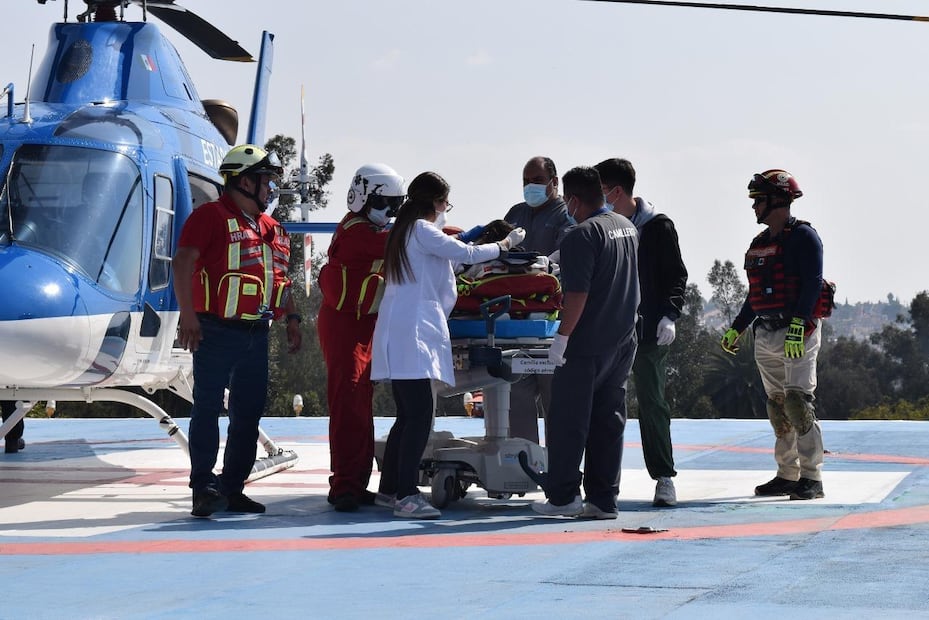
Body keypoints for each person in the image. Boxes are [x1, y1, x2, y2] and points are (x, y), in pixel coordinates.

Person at [371, 171, 525, 519]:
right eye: (444, 202)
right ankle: (407, 496)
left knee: (407, 416)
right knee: (419, 417)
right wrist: (504, 245)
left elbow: (450, 257)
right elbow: (466, 254)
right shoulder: (423, 230)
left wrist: (480, 237)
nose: (445, 209)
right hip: (414, 335)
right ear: (434, 202)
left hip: (403, 331)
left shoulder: (406, 231)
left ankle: (391, 488)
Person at [173, 144, 302, 518]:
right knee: (207, 409)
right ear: (244, 181)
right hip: (214, 330)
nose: (271, 190)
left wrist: (292, 319)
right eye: (266, 181)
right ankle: (203, 488)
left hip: (256, 333)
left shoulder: (272, 228)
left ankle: (232, 488)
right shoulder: (209, 217)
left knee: (248, 414)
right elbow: (183, 263)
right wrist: (188, 316)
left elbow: (281, 279)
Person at [532, 166, 639, 520]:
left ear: (574, 200)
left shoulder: (581, 235)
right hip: (622, 341)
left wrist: (561, 339)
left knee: (567, 420)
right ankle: (603, 499)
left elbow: (577, 295)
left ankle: (563, 496)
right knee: (608, 421)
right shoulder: (627, 227)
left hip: (587, 343)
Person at [721, 169, 826, 501]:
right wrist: (737, 328)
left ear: (778, 200)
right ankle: (787, 473)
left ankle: (812, 476)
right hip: (766, 332)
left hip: (798, 332)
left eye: (759, 200)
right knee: (777, 406)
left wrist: (798, 325)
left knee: (797, 402)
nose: (754, 208)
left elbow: (811, 285)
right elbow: (756, 296)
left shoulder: (805, 237)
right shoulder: (760, 244)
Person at [594, 158, 688, 508]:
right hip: (609, 329)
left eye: (600, 191)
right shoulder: (601, 227)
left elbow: (677, 275)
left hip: (648, 332)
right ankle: (598, 480)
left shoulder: (658, 227)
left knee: (652, 402)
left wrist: (669, 315)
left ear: (615, 192)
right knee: (602, 403)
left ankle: (664, 477)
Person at [317, 163, 406, 512]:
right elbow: (406, 242)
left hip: (361, 324)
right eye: (387, 203)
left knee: (359, 405)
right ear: (364, 198)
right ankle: (344, 486)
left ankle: (354, 481)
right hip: (345, 326)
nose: (391, 212)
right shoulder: (360, 233)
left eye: (397, 205)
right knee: (348, 404)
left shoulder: (368, 229)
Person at [503, 156, 574, 443]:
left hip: (551, 326)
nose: (530, 186)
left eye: (537, 180)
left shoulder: (565, 215)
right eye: (525, 181)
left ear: (554, 183)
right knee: (516, 401)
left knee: (557, 404)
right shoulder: (515, 213)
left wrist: (542, 265)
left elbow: (566, 252)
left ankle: (562, 470)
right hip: (516, 329)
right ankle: (525, 468)